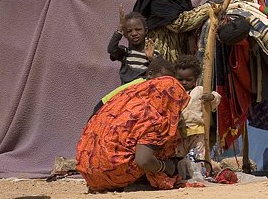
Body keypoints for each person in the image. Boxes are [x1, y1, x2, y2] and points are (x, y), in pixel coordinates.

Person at [76, 58, 190, 192]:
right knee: (168, 137)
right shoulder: (153, 115)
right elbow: (144, 161)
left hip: (89, 169)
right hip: (111, 171)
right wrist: (165, 166)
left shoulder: (131, 96)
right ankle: (137, 182)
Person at [174, 54, 221, 158]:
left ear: (195, 79)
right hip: (180, 135)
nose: (184, 82)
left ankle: (199, 173)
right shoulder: (174, 93)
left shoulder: (199, 90)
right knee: (180, 160)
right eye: (180, 79)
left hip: (197, 133)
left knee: (197, 159)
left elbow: (217, 97)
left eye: (188, 80)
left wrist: (211, 97)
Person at [107, 7, 157, 84]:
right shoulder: (125, 53)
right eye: (129, 31)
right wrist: (120, 26)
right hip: (127, 93)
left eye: (138, 29)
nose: (134, 33)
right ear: (125, 35)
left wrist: (151, 58)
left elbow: (161, 71)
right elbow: (111, 49)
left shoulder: (154, 53)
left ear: (146, 31)